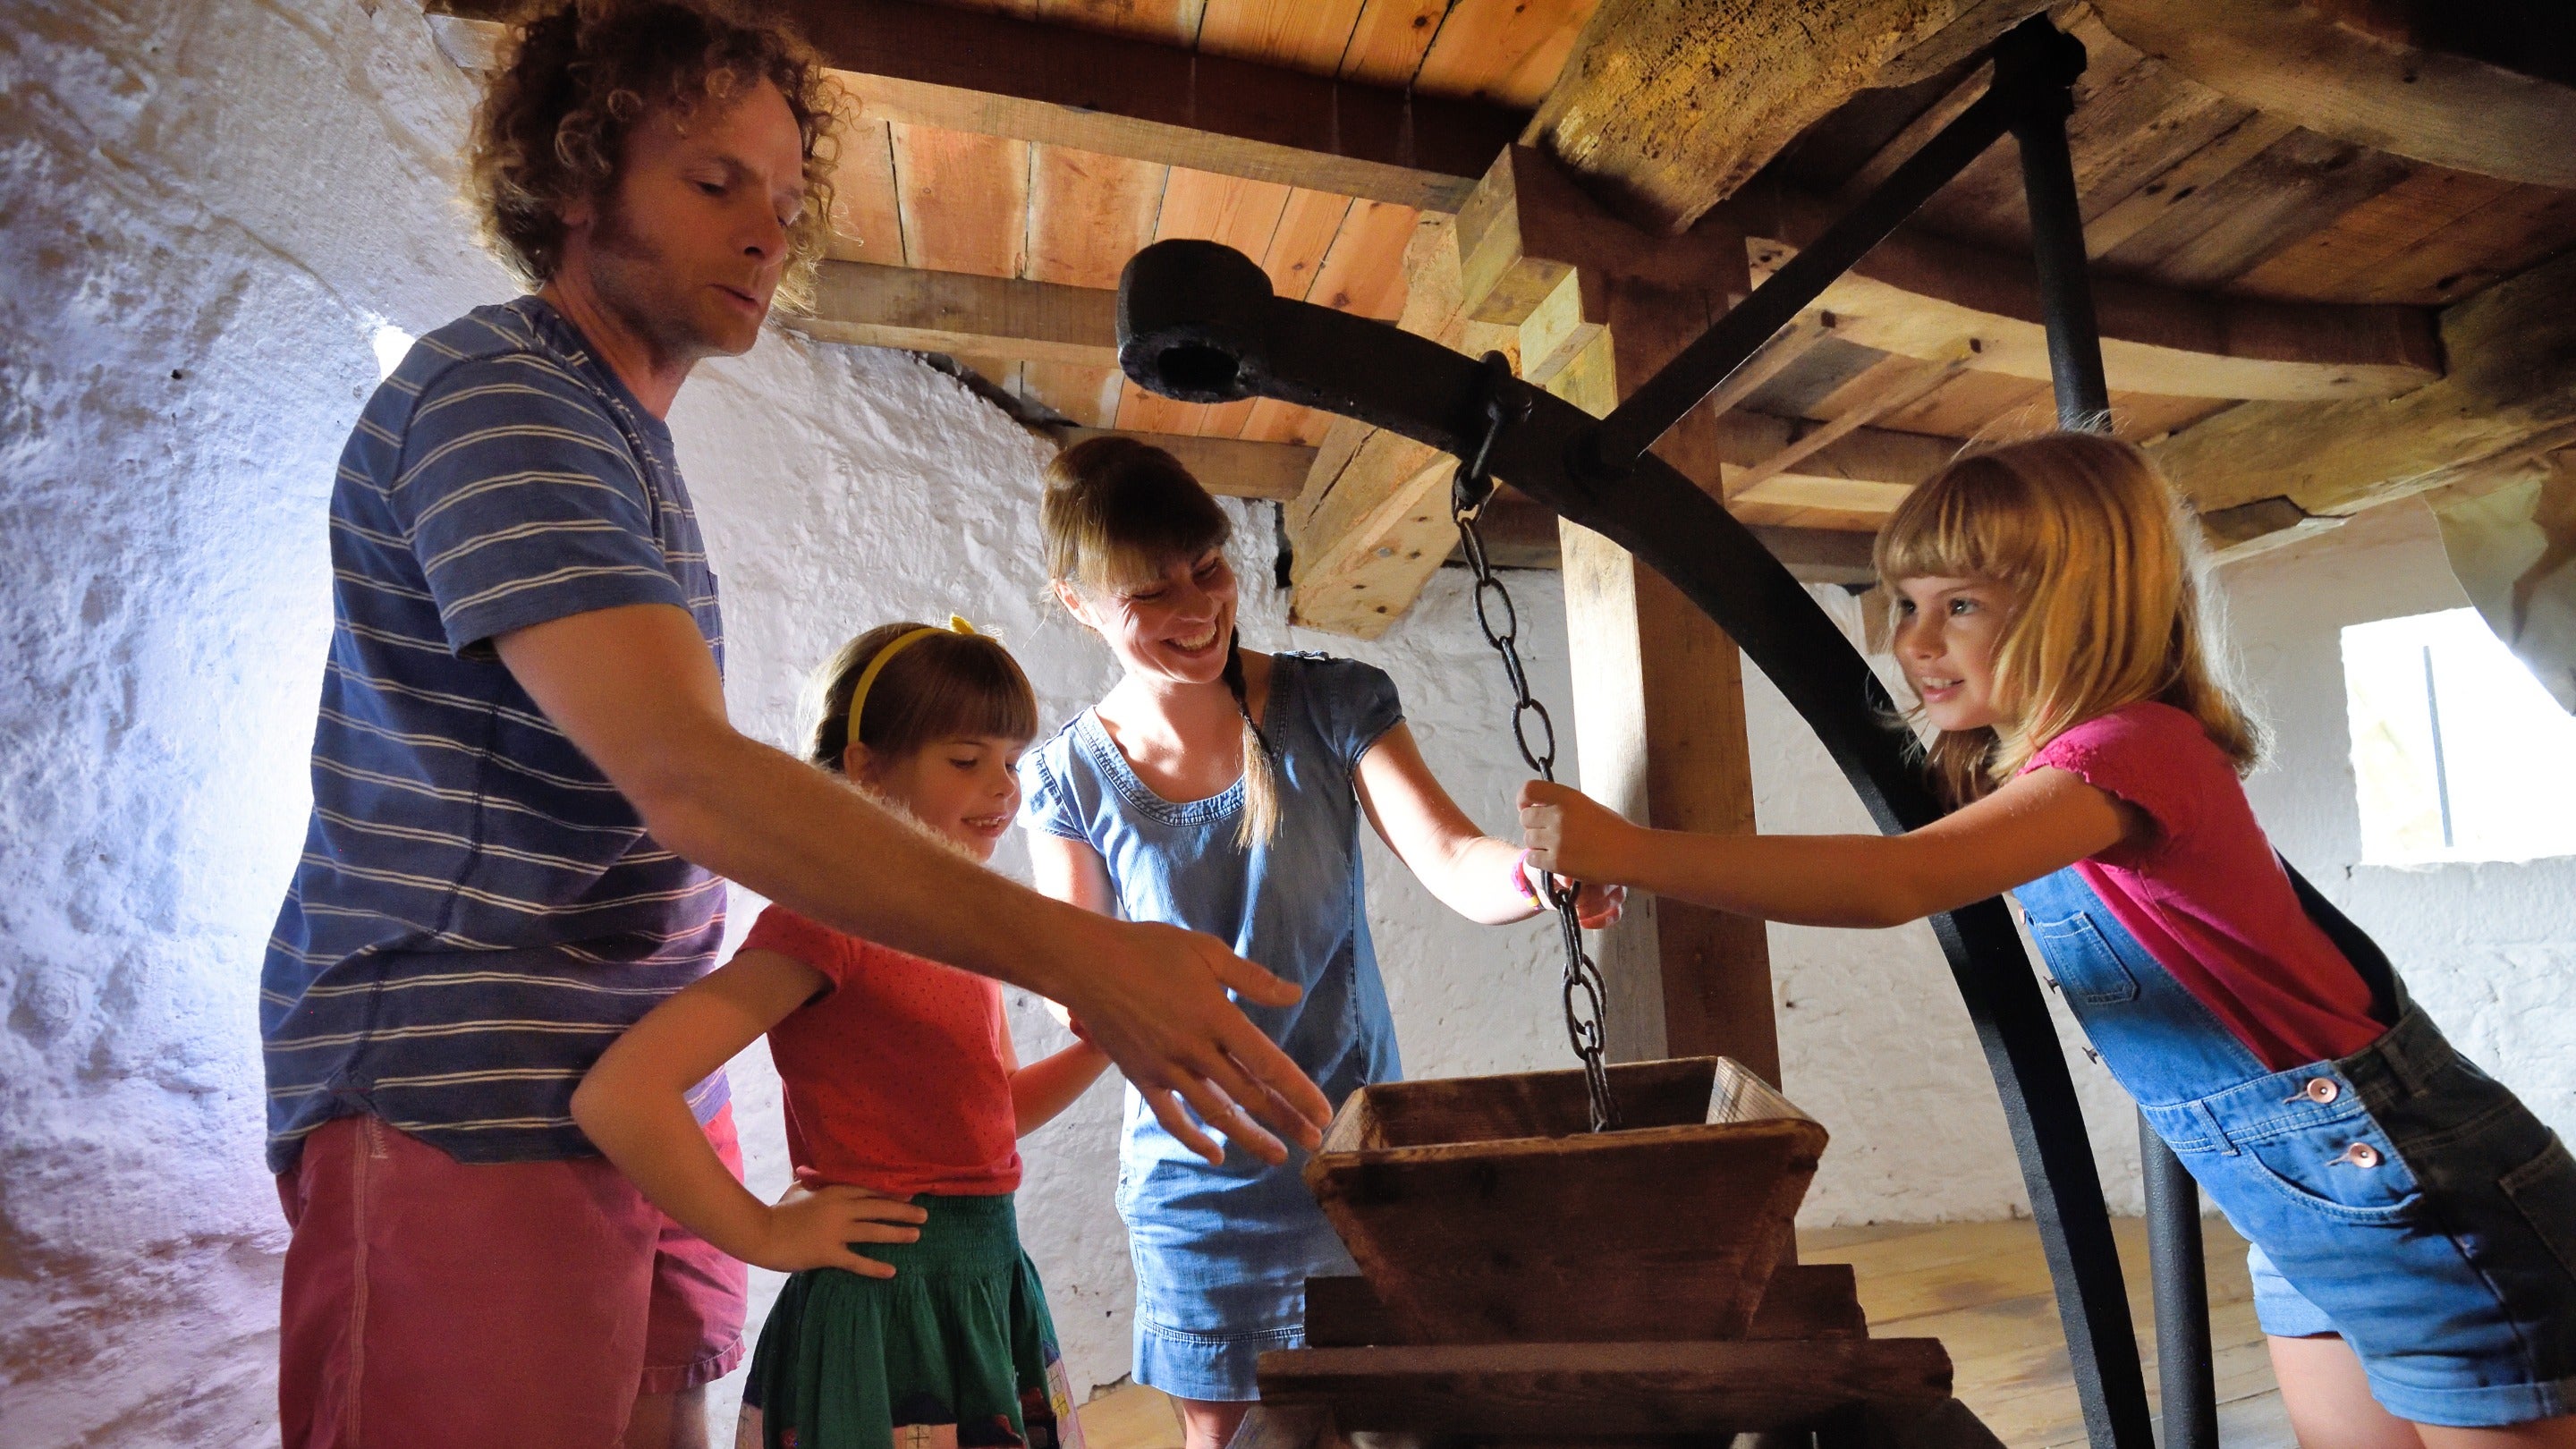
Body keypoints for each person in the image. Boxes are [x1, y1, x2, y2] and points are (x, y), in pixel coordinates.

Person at [258, 6, 1326, 1446]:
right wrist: (1093, 961)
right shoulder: (504, 398)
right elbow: (690, 780)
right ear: (574, 180)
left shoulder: (620, 436)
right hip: (471, 1081)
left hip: (628, 1078)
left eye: (785, 196)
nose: (768, 231)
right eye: (714, 183)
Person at [1520, 433, 2576, 1449]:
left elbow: (1895, 881)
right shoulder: (2028, 770)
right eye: (1908, 603)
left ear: (2080, 611)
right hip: (2301, 1207)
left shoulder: (2132, 750)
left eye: (1962, 604)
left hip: (2407, 1189)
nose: (1913, 640)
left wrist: (1638, 848)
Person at [1019, 436, 1623, 1449]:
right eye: (1150, 591)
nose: (1199, 606)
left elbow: (1450, 858)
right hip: (1193, 1182)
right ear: (1078, 604)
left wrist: (1535, 875)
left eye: (1207, 567)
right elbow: (1075, 989)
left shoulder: (1333, 704)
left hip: (1350, 1156)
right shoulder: (1068, 780)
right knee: (1229, 1440)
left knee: (1375, 1430)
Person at [574, 618, 1110, 1449]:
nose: (1003, 789)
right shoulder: (824, 928)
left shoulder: (965, 930)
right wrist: (764, 1232)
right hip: (881, 1304)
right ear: (865, 768)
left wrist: (1109, 1042)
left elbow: (989, 1111)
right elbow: (621, 1092)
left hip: (987, 1284)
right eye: (967, 761)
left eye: (1012, 762)